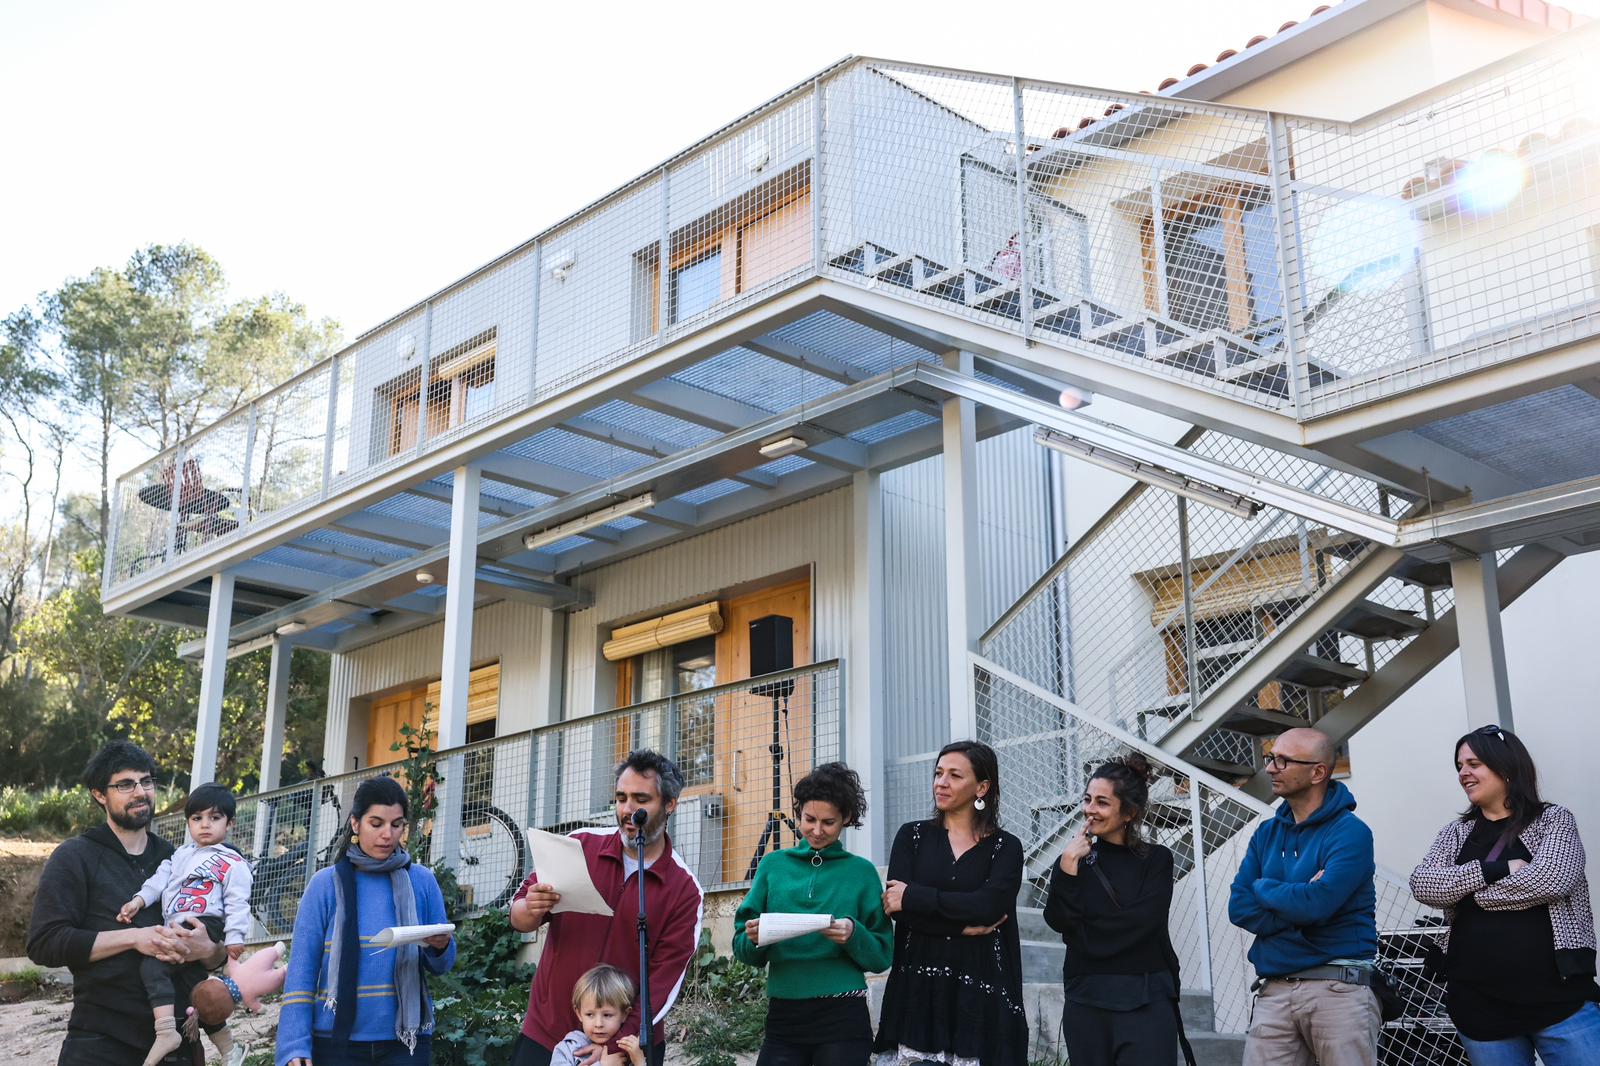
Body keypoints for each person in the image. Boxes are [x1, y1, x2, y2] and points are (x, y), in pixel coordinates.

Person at [27, 740, 228, 1066]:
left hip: (179, 1046)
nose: (140, 792)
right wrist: (136, 938)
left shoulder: (179, 859)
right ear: (99, 794)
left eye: (146, 781)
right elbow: (44, 942)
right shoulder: (75, 857)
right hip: (101, 1044)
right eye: (125, 784)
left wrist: (209, 950)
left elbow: (216, 949)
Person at [1409, 724, 1600, 1065]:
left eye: (1474, 763)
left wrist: (1469, 895)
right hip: (1480, 1008)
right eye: (1459, 766)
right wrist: (1492, 870)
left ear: (1507, 768)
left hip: (1560, 1001)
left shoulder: (1553, 820)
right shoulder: (1456, 832)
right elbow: (1423, 884)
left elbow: (1552, 878)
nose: (1463, 773)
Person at [508, 750, 706, 1066]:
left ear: (670, 804)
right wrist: (528, 908)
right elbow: (519, 916)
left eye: (641, 799)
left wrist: (615, 1045)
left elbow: (662, 985)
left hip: (627, 1048)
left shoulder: (684, 890)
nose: (628, 810)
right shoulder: (579, 846)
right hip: (548, 1034)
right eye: (620, 797)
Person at [276, 776, 457, 1066]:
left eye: (396, 824)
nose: (387, 834)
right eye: (377, 823)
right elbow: (302, 970)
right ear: (355, 824)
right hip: (335, 1043)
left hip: (406, 1045)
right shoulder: (325, 885)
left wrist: (439, 947)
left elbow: (442, 964)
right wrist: (293, 1045)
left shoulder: (422, 882)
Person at [1227, 727, 1379, 1066]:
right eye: (1270, 758)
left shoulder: (1351, 832)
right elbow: (1239, 907)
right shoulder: (1266, 833)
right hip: (1274, 990)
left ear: (1318, 772)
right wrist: (1302, 901)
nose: (1270, 768)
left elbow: (1319, 904)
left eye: (1283, 760)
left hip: (1338, 990)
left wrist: (1264, 887)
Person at [873, 740, 1027, 1066]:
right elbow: (899, 912)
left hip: (981, 988)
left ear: (982, 787)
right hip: (919, 989)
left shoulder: (1006, 847)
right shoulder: (911, 837)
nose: (941, 782)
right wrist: (962, 926)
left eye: (955, 776)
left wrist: (915, 896)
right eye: (939, 773)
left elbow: (988, 907)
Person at [732, 762, 893, 1066]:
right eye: (809, 819)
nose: (816, 830)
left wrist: (853, 934)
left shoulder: (861, 873)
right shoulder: (772, 866)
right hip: (784, 1015)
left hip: (843, 1015)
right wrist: (755, 938)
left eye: (828, 822)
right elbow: (744, 950)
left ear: (846, 818)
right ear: (799, 812)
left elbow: (881, 957)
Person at [1044, 753, 1189, 1066]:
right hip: (1086, 999)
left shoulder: (1155, 860)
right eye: (1087, 799)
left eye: (1102, 802)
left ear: (1129, 812)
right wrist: (1068, 864)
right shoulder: (1073, 859)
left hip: (1146, 998)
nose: (1090, 810)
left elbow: (1141, 924)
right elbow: (1057, 919)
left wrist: (1082, 935)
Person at [115, 782, 253, 1066]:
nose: (205, 825)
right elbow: (158, 881)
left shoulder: (233, 862)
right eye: (197, 818)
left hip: (205, 922)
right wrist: (138, 901)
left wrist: (235, 937)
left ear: (230, 823)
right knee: (194, 994)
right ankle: (230, 1049)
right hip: (178, 924)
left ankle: (165, 1032)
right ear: (188, 822)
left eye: (214, 818)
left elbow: (239, 901)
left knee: (152, 964)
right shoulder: (179, 855)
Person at [549, 965, 646, 1066]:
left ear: (624, 1014)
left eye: (607, 1015)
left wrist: (639, 1062)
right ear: (579, 1013)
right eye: (590, 1014)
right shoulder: (567, 1049)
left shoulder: (630, 1049)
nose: (598, 1024)